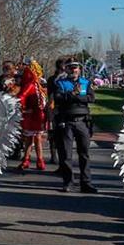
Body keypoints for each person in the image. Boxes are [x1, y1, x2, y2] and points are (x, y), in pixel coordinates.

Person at [53, 60, 97, 193]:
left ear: (79, 69)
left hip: (82, 121)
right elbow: (58, 98)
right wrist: (72, 94)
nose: (74, 70)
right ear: (66, 69)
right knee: (66, 154)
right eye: (71, 68)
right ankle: (68, 182)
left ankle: (86, 183)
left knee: (84, 154)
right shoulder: (61, 83)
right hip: (67, 122)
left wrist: (76, 97)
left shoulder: (85, 83)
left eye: (76, 68)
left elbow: (91, 98)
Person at [16, 61, 48, 172]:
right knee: (31, 139)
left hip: (38, 115)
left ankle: (36, 159)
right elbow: (21, 96)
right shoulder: (30, 85)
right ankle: (30, 159)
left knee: (36, 138)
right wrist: (23, 107)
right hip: (32, 115)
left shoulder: (37, 85)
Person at [47, 58, 69, 167]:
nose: (63, 68)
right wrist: (50, 109)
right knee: (53, 134)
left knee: (65, 136)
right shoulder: (52, 79)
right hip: (55, 109)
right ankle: (54, 156)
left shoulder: (68, 79)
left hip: (65, 109)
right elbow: (50, 94)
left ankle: (64, 161)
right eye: (61, 66)